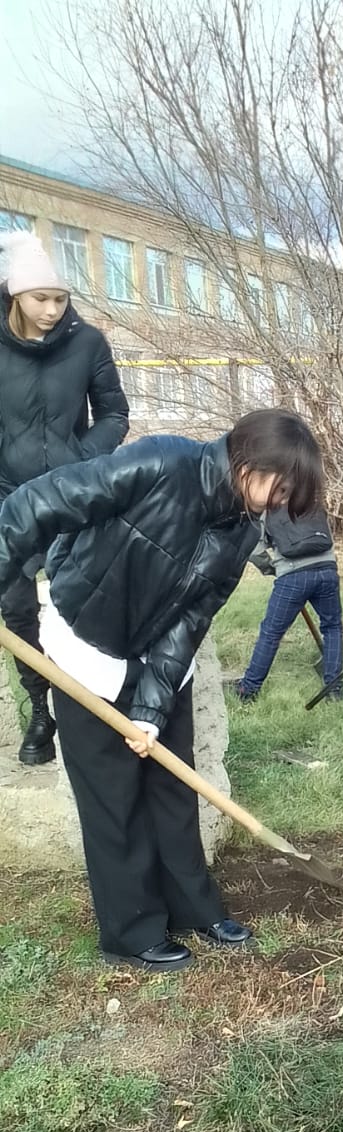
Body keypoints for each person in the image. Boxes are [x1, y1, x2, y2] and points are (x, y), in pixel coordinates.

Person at [0, 408, 323, 971]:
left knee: (175, 790)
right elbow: (37, 503)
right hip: (86, 647)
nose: (278, 504)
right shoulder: (160, 462)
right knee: (113, 799)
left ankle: (192, 906)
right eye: (281, 488)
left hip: (160, 659)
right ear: (248, 459)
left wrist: (151, 707)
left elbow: (189, 621)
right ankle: (130, 930)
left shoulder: (242, 529)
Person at [0, 228, 129, 765]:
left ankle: (89, 702)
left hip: (73, 497)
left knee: (79, 600)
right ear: (15, 296)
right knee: (16, 607)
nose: (53, 309)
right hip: (9, 497)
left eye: (61, 298)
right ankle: (40, 707)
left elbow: (115, 414)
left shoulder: (88, 343)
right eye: (40, 299)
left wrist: (82, 459)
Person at [231, 501, 343, 700]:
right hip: (328, 571)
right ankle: (334, 690)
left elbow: (254, 550)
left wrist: (273, 569)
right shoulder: (312, 500)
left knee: (271, 633)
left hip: (293, 576)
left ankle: (248, 690)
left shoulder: (267, 509)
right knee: (333, 627)